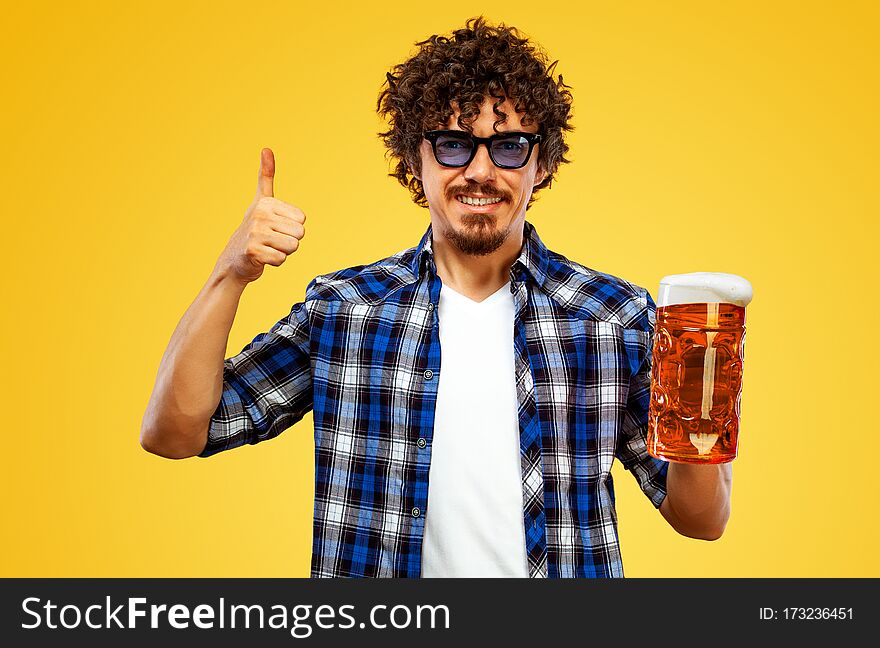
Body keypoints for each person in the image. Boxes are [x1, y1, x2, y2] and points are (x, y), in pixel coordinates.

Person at [140, 16, 731, 578]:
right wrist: (231, 273)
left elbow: (701, 520)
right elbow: (174, 434)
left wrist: (703, 393)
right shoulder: (346, 311)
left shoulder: (613, 317)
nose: (480, 171)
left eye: (508, 147)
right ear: (413, 159)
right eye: (452, 145)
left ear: (540, 163)